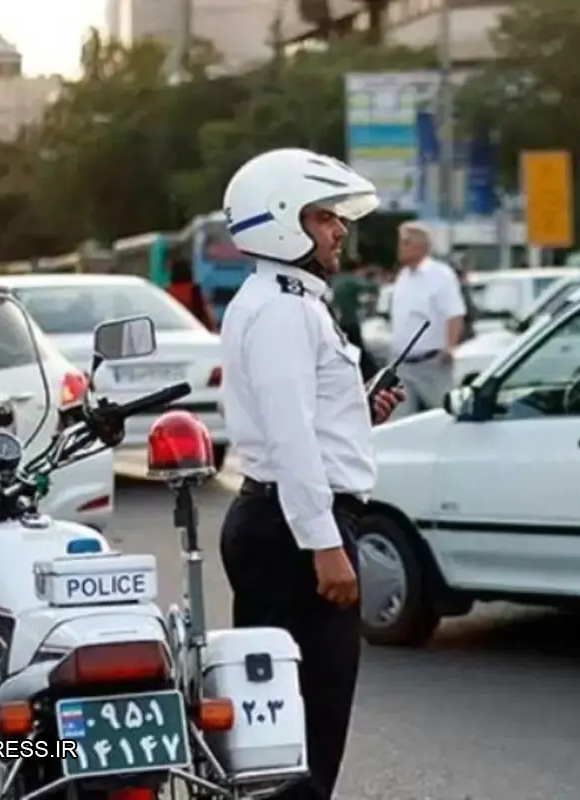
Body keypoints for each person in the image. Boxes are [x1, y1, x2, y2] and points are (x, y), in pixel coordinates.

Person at [216, 148, 404, 800]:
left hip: (282, 521)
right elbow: (290, 439)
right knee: (303, 733)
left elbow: (302, 424)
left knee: (284, 731)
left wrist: (362, 413)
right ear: (282, 222)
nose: (338, 231)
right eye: (324, 217)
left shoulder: (284, 300)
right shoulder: (282, 309)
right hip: (293, 532)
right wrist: (325, 545)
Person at [386, 221, 467, 419]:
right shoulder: (403, 276)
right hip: (402, 365)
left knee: (445, 416)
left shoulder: (440, 275)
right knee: (399, 422)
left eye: (406, 242)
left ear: (421, 246)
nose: (400, 248)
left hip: (431, 363)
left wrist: (450, 346)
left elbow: (455, 313)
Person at [329, 260, 378, 380]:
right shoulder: (351, 281)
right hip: (350, 320)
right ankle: (370, 374)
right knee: (359, 349)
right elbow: (372, 286)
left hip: (338, 322)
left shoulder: (336, 280)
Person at [166, 257, 217, 331]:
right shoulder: (195, 290)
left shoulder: (167, 292)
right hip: (194, 329)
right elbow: (205, 313)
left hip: (173, 330)